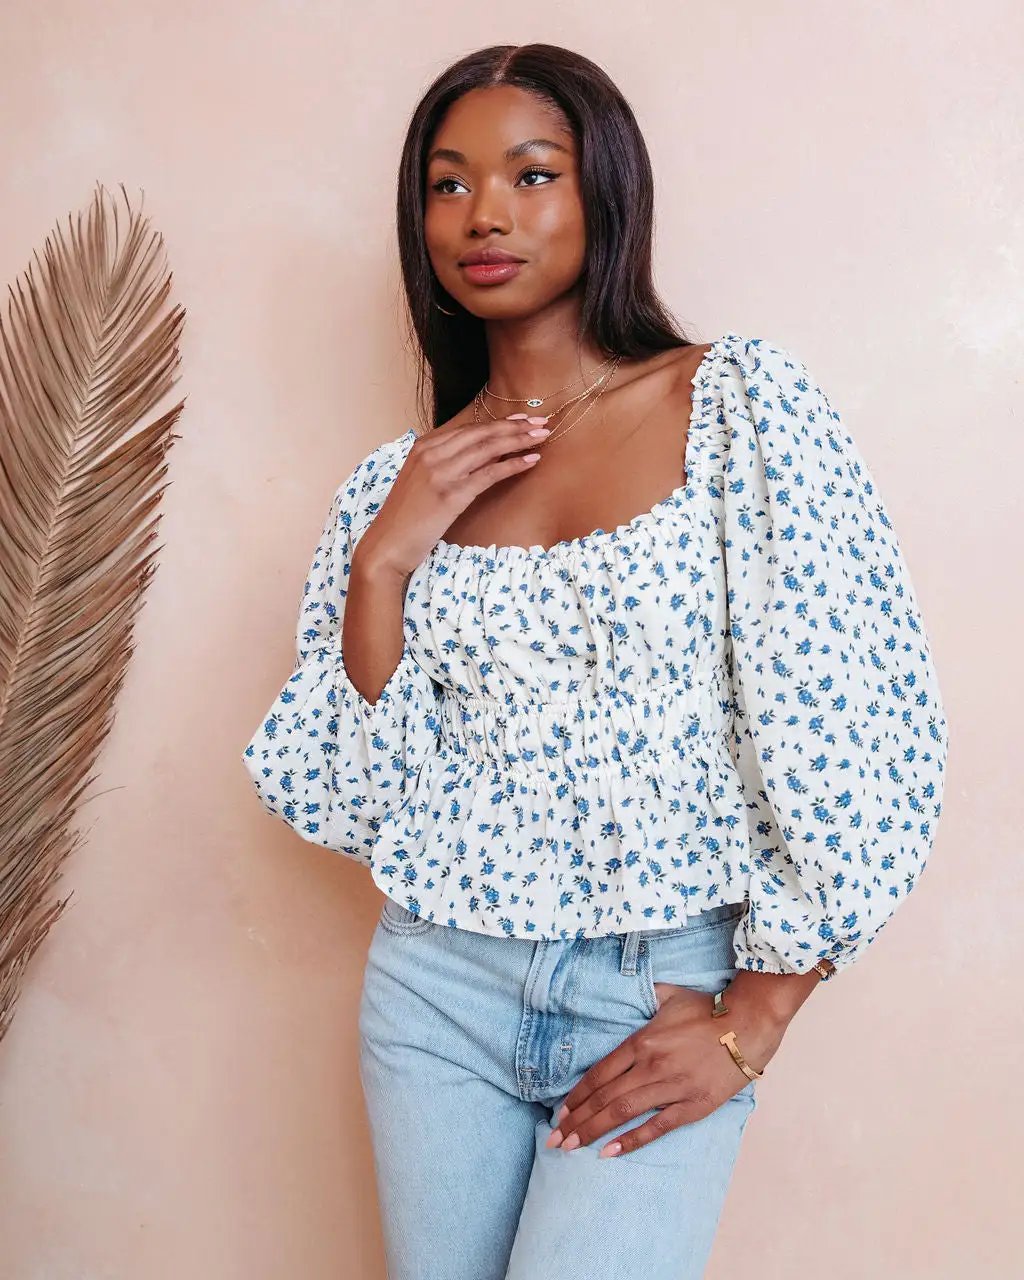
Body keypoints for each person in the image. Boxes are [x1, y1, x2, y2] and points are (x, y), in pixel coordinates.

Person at [242, 42, 948, 1280]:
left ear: (605, 191)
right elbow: (364, 796)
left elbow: (853, 722)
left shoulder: (734, 408)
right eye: (449, 184)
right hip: (435, 989)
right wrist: (384, 560)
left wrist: (754, 1018)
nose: (485, 214)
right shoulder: (394, 486)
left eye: (531, 173)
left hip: (659, 983)